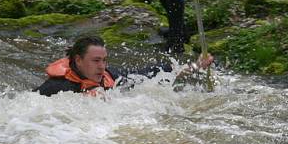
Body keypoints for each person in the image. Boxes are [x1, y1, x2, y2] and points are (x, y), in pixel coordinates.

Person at [36, 35, 213, 97]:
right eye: (96, 61)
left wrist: (196, 67)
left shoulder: (109, 77)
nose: (102, 66)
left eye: (104, 60)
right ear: (78, 60)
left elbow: (155, 74)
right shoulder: (55, 87)